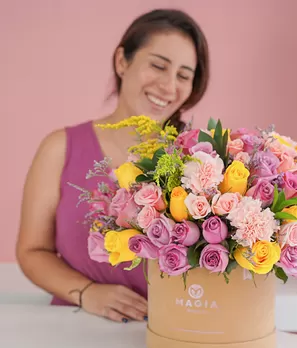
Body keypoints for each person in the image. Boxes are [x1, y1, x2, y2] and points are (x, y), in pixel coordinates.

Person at [15, 8, 210, 323]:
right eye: (158, 66)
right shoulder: (59, 149)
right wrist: (87, 291)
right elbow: (32, 251)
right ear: (122, 61)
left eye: (184, 76)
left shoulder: (201, 160)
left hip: (174, 333)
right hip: (74, 327)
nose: (169, 86)